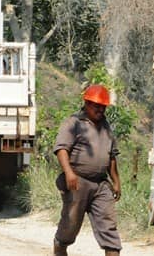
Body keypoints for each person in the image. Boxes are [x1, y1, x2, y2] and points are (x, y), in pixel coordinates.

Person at [52, 84, 121, 256]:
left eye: (103, 107)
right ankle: (59, 247)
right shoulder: (74, 123)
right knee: (71, 224)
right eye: (97, 106)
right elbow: (61, 150)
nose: (100, 110)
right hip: (78, 181)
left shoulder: (106, 127)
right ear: (87, 104)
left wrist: (116, 182)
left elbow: (111, 157)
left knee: (109, 228)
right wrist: (69, 173)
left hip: (101, 185)